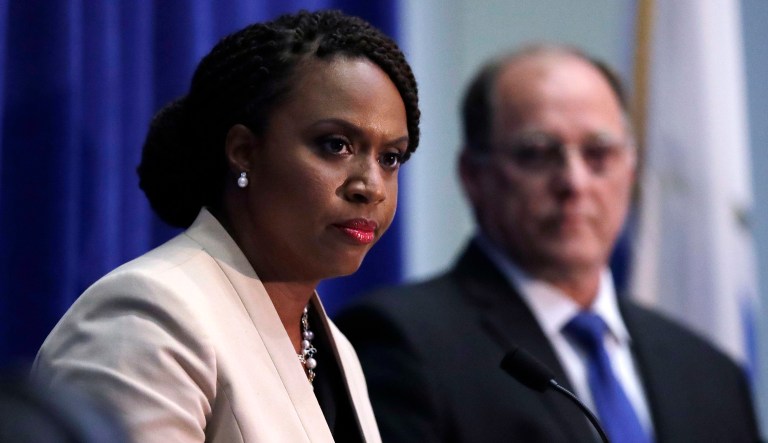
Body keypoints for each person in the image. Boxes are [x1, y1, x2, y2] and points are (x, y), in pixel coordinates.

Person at [335, 45, 760, 442]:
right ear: (473, 175)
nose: (574, 182)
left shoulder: (712, 373)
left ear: (631, 171)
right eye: (537, 153)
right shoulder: (399, 341)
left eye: (599, 153)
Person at [32, 9, 420, 443]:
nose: (371, 187)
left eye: (390, 158)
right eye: (336, 145)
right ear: (244, 151)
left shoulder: (338, 350)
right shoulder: (148, 318)